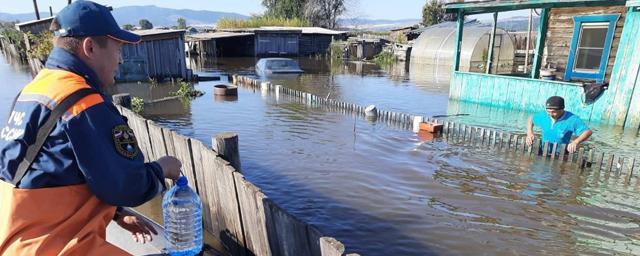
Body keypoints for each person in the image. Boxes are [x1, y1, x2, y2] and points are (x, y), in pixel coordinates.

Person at [0, 1, 182, 255]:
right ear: (91, 47)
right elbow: (128, 185)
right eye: (118, 48)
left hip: (16, 239)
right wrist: (163, 168)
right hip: (58, 245)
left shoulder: (34, 90)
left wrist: (116, 213)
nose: (120, 59)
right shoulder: (84, 103)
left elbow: (48, 172)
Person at [526, 96, 593, 153]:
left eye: (553, 112)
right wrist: (530, 133)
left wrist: (575, 142)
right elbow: (531, 119)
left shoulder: (572, 119)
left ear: (562, 110)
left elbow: (588, 131)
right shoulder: (544, 115)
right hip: (542, 151)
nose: (550, 114)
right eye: (548, 111)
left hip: (560, 154)